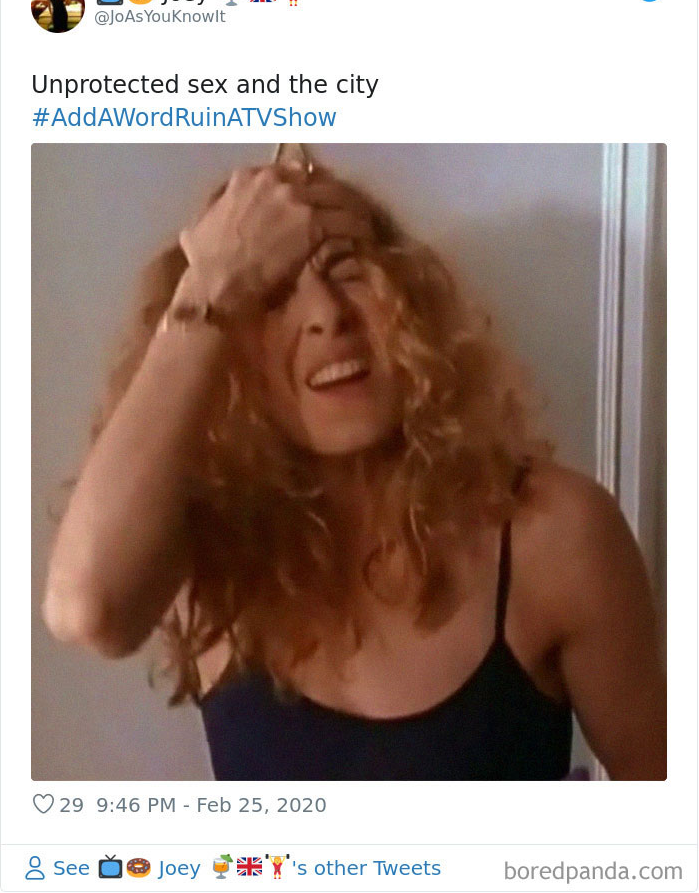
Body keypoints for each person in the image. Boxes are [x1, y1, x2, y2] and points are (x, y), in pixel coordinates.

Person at [43, 154, 667, 780]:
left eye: (346, 269)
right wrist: (209, 289)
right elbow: (85, 609)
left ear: (409, 305)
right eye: (272, 295)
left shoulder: (556, 536)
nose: (327, 315)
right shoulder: (216, 554)